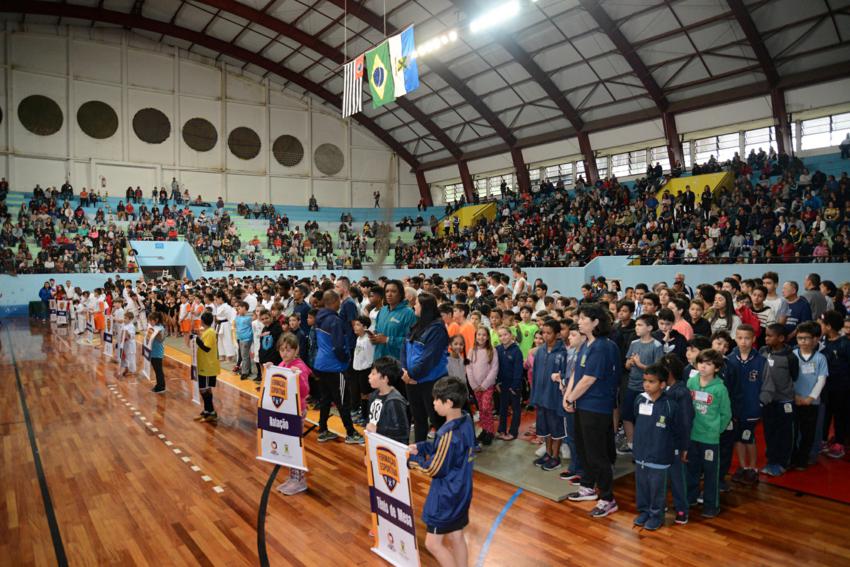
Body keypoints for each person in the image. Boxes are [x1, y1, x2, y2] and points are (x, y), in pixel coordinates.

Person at [408, 376, 474, 567]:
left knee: (432, 543)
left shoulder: (449, 433)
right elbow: (443, 449)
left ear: (449, 402)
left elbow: (435, 468)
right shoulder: (465, 420)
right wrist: (421, 447)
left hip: (446, 496)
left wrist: (411, 460)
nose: (434, 402)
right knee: (456, 536)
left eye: (437, 399)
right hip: (461, 490)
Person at [565, 303, 621, 518]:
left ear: (596, 322)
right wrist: (567, 396)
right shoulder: (587, 344)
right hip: (583, 405)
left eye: (583, 318)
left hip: (597, 408)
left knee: (598, 454)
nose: (579, 321)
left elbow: (589, 379)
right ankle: (588, 487)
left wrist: (570, 397)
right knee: (584, 448)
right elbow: (576, 374)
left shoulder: (603, 347)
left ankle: (608, 498)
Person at [632, 363, 687, 531]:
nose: (647, 385)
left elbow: (679, 429)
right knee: (642, 486)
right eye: (645, 381)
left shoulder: (670, 405)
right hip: (641, 453)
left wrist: (680, 449)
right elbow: (637, 420)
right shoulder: (640, 399)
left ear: (662, 384)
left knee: (656, 488)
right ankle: (644, 511)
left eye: (652, 381)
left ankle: (656, 515)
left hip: (660, 454)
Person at [686, 348, 732, 518]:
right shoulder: (691, 383)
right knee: (691, 470)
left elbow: (726, 414)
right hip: (692, 436)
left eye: (708, 364)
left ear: (717, 368)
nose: (703, 367)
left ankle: (711, 506)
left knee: (711, 474)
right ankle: (690, 498)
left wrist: (715, 430)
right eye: (701, 363)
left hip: (710, 439)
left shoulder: (720, 389)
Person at [314, 291, 363, 444]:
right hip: (334, 367)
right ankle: (351, 432)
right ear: (335, 301)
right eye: (339, 301)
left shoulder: (319, 317)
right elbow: (338, 347)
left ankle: (322, 430)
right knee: (343, 401)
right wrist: (346, 360)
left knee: (325, 399)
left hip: (320, 364)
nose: (340, 303)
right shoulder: (334, 320)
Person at [401, 293, 449, 443]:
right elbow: (404, 348)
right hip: (412, 380)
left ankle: (443, 453)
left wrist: (412, 375)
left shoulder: (437, 330)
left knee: (437, 420)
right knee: (419, 419)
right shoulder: (417, 326)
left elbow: (430, 359)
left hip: (430, 382)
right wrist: (404, 370)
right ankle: (419, 450)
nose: (413, 306)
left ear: (425, 308)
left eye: (416, 304)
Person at [727, 325, 766, 486]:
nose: (743, 342)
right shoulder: (729, 359)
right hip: (735, 408)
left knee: (748, 438)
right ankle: (743, 466)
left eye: (747, 338)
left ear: (754, 339)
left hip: (752, 407)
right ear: (735, 338)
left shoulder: (761, 361)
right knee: (738, 438)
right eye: (740, 338)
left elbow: (766, 384)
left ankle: (753, 468)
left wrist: (761, 403)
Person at [274, 333, 312, 496]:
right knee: (287, 445)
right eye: (282, 350)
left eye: (288, 350)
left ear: (296, 350)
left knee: (294, 445)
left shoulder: (299, 366)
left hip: (297, 411)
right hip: (285, 410)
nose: (285, 353)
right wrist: (269, 370)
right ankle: (293, 477)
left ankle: (300, 480)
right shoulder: (282, 364)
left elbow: (305, 391)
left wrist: (298, 377)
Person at [759, 323, 798, 476]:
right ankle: (771, 460)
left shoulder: (790, 357)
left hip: (785, 401)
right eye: (766, 335)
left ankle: (783, 462)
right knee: (770, 432)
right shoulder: (763, 351)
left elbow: (794, 377)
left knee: (785, 433)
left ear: (781, 338)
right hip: (769, 401)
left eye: (770, 336)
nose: (766, 338)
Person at [622, 314, 664, 454]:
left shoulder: (656, 345)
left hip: (647, 390)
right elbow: (627, 364)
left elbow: (657, 370)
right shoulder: (634, 343)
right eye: (636, 325)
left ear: (650, 328)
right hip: (631, 385)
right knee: (627, 415)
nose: (636, 327)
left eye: (640, 325)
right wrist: (629, 363)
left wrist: (640, 365)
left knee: (645, 418)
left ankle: (645, 445)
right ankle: (631, 444)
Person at [530, 319, 568, 471]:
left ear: (557, 334)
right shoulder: (540, 351)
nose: (545, 336)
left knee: (556, 427)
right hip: (541, 397)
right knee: (544, 427)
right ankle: (548, 452)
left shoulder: (563, 353)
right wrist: (534, 396)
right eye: (543, 333)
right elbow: (535, 375)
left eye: (549, 333)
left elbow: (566, 376)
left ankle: (555, 456)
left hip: (555, 398)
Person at [659, 354, 693, 524]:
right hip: (661, 442)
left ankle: (681, 509)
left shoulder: (682, 392)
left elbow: (686, 422)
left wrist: (685, 446)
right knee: (660, 476)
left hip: (676, 443)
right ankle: (661, 503)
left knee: (677, 478)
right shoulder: (660, 390)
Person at [790, 321, 828, 470]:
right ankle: (792, 458)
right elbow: (788, 379)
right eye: (800, 338)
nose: (803, 341)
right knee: (793, 432)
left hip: (812, 403)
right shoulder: (792, 356)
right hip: (794, 400)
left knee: (808, 433)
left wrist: (810, 398)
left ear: (815, 339)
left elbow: (821, 379)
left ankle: (802, 459)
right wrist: (795, 397)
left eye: (806, 338)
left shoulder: (820, 358)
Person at [819, 311, 850, 459]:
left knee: (840, 414)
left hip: (841, 387)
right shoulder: (822, 341)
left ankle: (839, 442)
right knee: (825, 414)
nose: (820, 325)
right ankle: (823, 440)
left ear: (829, 326)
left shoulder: (845, 344)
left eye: (822, 323)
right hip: (825, 386)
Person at [366, 356, 409, 445]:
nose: (369, 376)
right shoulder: (373, 395)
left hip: (390, 450)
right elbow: (371, 420)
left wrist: (378, 429)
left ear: (385, 379)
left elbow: (402, 431)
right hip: (374, 443)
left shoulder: (394, 401)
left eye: (373, 374)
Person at [467, 326, 499, 446]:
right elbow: (469, 368)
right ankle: (484, 429)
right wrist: (474, 385)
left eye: (484, 335)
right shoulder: (472, 351)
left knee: (487, 408)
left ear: (488, 337)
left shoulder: (492, 351)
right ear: (475, 336)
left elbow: (494, 369)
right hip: (476, 386)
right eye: (479, 334)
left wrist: (485, 385)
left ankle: (490, 431)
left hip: (487, 386)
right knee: (481, 409)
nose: (481, 337)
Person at [372, 280, 416, 360]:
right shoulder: (383, 310)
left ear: (400, 294)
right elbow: (377, 329)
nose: (389, 294)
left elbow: (412, 340)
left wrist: (388, 339)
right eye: (387, 291)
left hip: (396, 362)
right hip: (379, 359)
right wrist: (374, 336)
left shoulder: (408, 313)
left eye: (393, 291)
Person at [496, 326, 523, 440]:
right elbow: (495, 367)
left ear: (511, 335)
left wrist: (514, 386)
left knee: (516, 409)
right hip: (502, 385)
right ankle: (501, 430)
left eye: (505, 334)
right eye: (500, 335)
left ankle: (513, 432)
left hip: (514, 386)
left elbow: (518, 370)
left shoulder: (516, 351)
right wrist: (497, 382)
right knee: (503, 408)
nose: (503, 337)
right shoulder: (498, 349)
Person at [194, 312, 220, 423]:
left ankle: (211, 412)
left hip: (208, 365)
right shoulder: (207, 331)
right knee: (206, 389)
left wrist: (197, 340)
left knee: (204, 389)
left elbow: (206, 348)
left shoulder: (210, 332)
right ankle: (207, 411)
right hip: (204, 364)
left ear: (202, 321)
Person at [352, 315, 376, 425]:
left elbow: (370, 358)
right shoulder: (359, 338)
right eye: (355, 325)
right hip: (357, 369)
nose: (355, 327)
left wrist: (369, 371)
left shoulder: (367, 340)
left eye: (358, 325)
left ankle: (366, 417)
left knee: (366, 394)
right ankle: (362, 413)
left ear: (365, 327)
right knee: (361, 393)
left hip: (365, 370)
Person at [148, 312, 167, 394]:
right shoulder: (152, 327)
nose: (150, 322)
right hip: (152, 350)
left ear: (156, 320)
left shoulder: (160, 328)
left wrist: (157, 334)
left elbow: (161, 340)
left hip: (158, 352)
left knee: (158, 369)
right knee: (156, 369)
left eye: (151, 320)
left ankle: (161, 386)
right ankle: (159, 384)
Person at [235, 301, 253, 379]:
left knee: (244, 355)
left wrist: (250, 336)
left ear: (244, 308)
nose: (238, 310)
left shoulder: (249, 317)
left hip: (246, 338)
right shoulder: (238, 317)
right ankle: (248, 370)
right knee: (245, 355)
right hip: (240, 337)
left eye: (240, 308)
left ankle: (245, 372)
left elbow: (252, 327)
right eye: (238, 308)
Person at [120, 311, 137, 376]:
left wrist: (127, 333)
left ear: (130, 319)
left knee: (131, 358)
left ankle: (132, 370)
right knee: (126, 357)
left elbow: (131, 336)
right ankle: (127, 368)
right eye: (124, 318)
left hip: (130, 345)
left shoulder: (131, 326)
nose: (124, 319)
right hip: (124, 344)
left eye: (126, 318)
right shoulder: (124, 325)